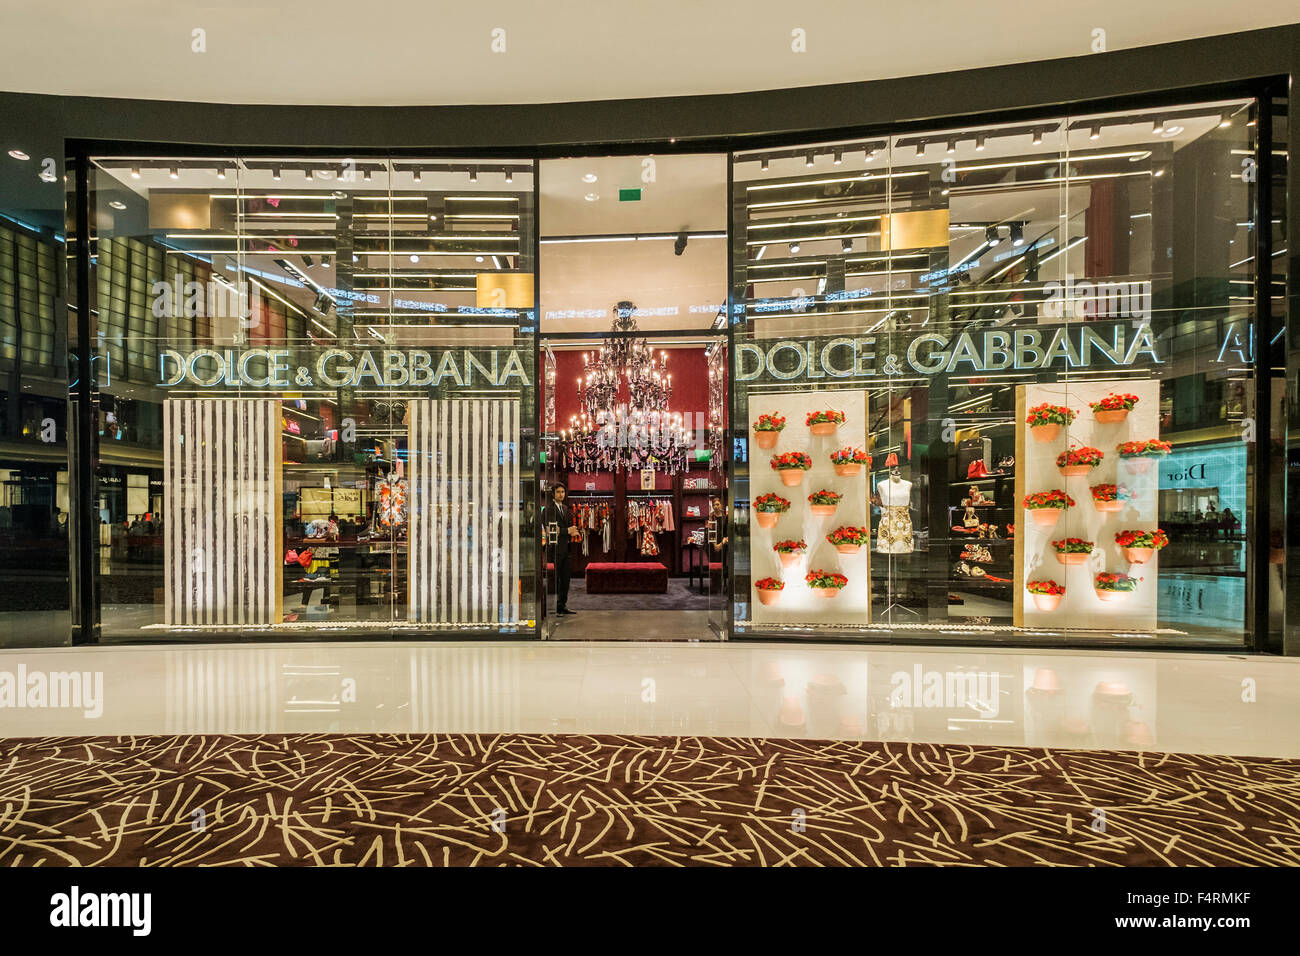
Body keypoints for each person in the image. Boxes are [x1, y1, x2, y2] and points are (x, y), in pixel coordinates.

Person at [545, 484, 579, 616]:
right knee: (556, 580)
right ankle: (553, 607)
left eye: (563, 492)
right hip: (555, 549)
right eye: (558, 492)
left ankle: (562, 605)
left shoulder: (565, 508)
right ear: (553, 493)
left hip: (566, 549)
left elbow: (565, 528)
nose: (561, 494)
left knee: (566, 579)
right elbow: (551, 531)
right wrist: (567, 531)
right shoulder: (548, 510)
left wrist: (571, 531)